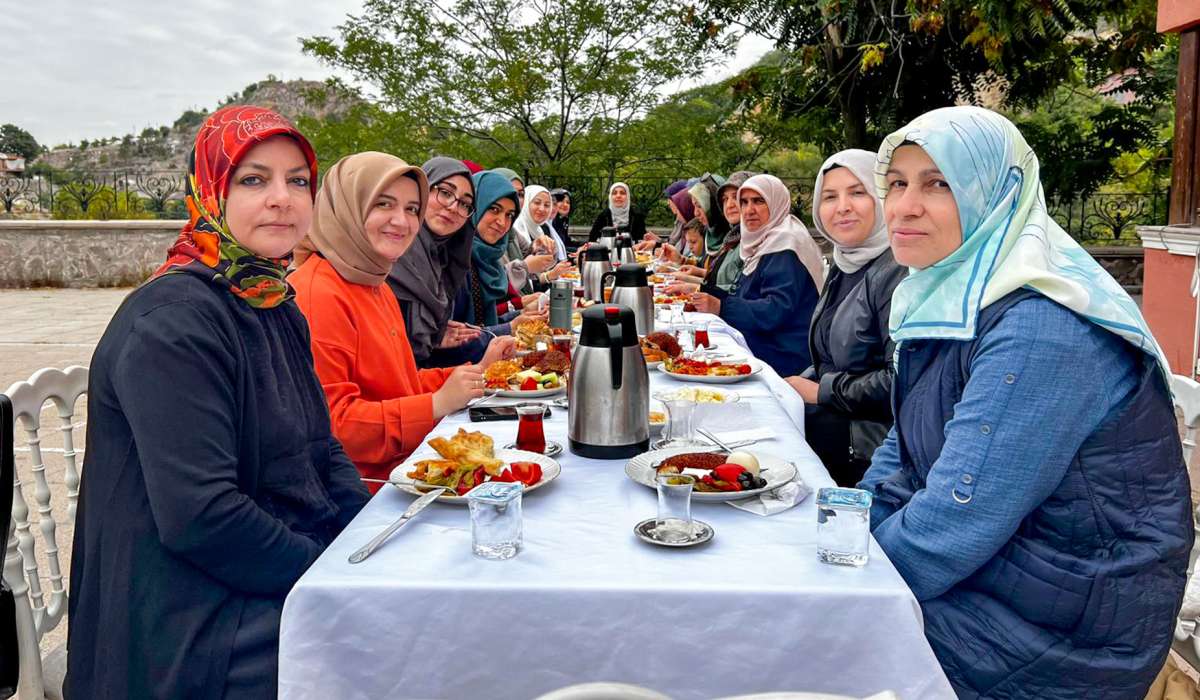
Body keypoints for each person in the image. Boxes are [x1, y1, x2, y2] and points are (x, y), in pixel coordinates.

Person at [858, 106, 1191, 698]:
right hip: (995, 569)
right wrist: (846, 524)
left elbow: (958, 519)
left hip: (1064, 622)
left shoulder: (1040, 325)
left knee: (798, 652)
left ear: (998, 194)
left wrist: (846, 581)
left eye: (939, 183)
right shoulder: (953, 292)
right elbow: (904, 446)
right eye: (898, 183)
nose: (905, 206)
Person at [67, 106, 369, 699]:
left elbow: (321, 448)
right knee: (382, 649)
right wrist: (324, 575)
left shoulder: (269, 297)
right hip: (184, 614)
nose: (282, 199)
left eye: (298, 180)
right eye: (253, 179)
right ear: (211, 190)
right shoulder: (174, 324)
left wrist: (366, 537)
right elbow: (202, 518)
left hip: (255, 562)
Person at [290, 152, 515, 488]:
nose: (402, 220)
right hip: (365, 494)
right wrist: (437, 403)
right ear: (348, 205)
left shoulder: (373, 282)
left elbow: (401, 384)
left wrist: (475, 373)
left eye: (412, 208)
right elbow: (334, 427)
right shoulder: (316, 293)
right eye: (383, 204)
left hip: (407, 468)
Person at [783, 150, 905, 486]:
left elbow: (902, 380)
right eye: (830, 196)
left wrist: (819, 390)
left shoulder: (898, 269)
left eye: (857, 192)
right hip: (831, 431)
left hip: (868, 454)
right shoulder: (845, 263)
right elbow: (828, 357)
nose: (843, 206)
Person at [689, 174, 824, 377]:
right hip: (763, 343)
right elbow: (744, 295)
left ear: (776, 202)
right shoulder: (765, 240)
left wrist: (721, 306)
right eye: (744, 202)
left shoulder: (785, 244)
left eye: (759, 201)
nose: (749, 210)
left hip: (784, 357)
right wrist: (701, 293)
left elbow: (775, 310)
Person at [438, 170, 549, 365]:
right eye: (494, 209)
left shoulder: (486, 258)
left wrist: (518, 316)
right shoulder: (452, 262)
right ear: (475, 207)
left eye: (509, 215)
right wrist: (510, 326)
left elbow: (480, 323)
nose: (502, 222)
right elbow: (447, 344)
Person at [388, 156, 480, 367]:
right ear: (421, 191)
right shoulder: (388, 255)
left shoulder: (445, 260)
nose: (453, 206)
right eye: (445, 193)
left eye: (465, 204)